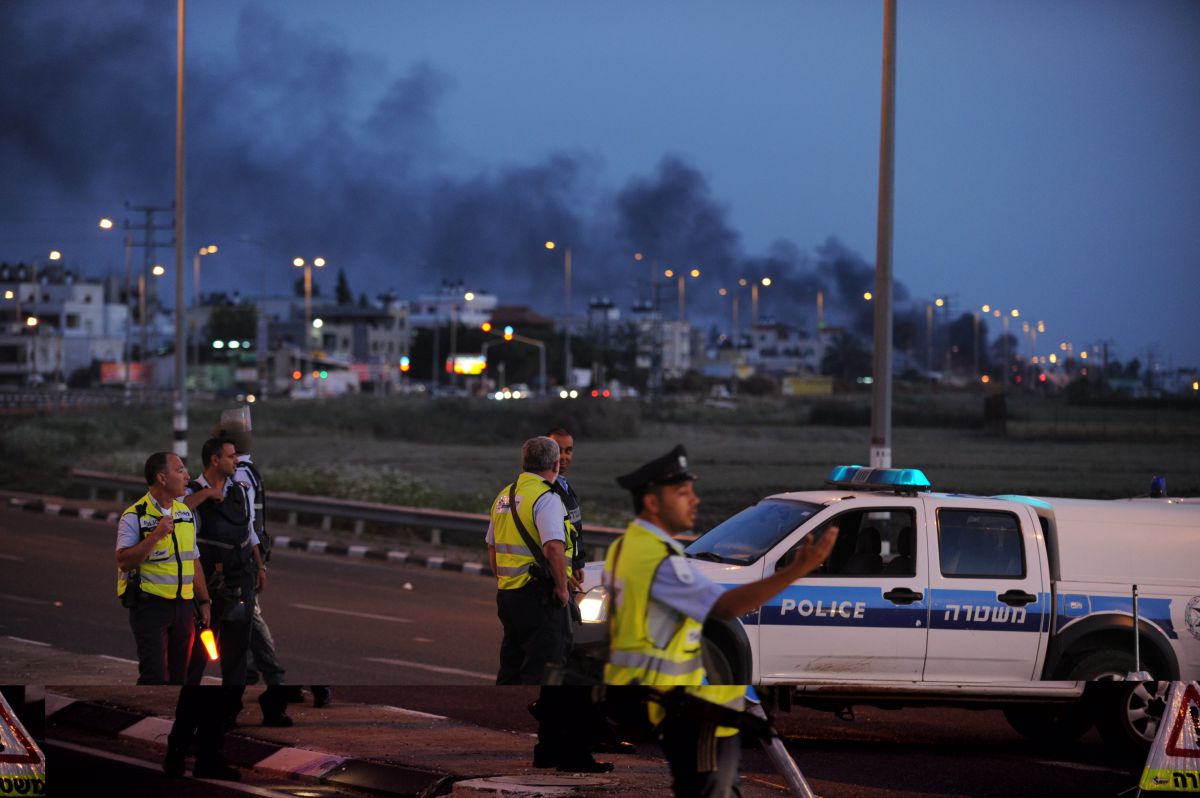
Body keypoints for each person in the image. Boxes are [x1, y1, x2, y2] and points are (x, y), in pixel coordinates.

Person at [604, 444, 838, 798]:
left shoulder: (624, 546)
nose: (694, 500)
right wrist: (798, 569)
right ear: (653, 502)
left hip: (662, 698)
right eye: (682, 493)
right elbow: (725, 607)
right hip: (683, 705)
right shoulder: (658, 558)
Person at [527, 427, 616, 774]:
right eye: (558, 451)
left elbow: (572, 536)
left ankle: (550, 748)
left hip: (567, 584)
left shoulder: (565, 489)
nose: (564, 457)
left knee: (559, 678)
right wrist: (563, 582)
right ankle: (574, 752)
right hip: (553, 590)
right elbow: (550, 544)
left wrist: (578, 566)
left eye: (569, 451)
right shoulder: (544, 492)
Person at [212, 410, 304, 727]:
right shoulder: (245, 474)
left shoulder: (239, 476)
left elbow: (245, 525)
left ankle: (252, 698)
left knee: (248, 638)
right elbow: (247, 526)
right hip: (241, 571)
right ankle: (266, 697)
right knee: (251, 639)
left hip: (242, 569)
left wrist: (255, 563)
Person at [116, 451, 211, 685]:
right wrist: (156, 535)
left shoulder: (185, 514)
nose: (187, 476)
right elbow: (125, 561)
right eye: (180, 471)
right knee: (154, 676)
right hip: (151, 607)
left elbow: (193, 559)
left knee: (180, 678)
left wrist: (205, 601)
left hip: (184, 608)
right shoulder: (134, 516)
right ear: (162, 478)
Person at [183, 437, 266, 693]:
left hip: (239, 582)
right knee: (197, 653)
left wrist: (259, 565)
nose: (236, 460)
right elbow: (178, 512)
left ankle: (229, 711)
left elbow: (248, 529)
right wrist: (207, 494)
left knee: (236, 653)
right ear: (215, 460)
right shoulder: (192, 490)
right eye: (231, 456)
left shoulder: (238, 490)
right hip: (208, 586)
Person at [487, 436, 571, 685]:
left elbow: (491, 546)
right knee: (542, 669)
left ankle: (502, 720)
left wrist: (503, 577)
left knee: (511, 663)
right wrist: (562, 589)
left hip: (507, 595)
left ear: (525, 462)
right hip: (537, 596)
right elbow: (554, 548)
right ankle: (529, 723)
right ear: (555, 465)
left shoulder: (505, 496)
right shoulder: (546, 498)